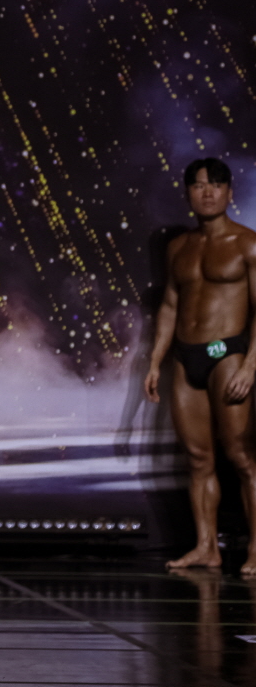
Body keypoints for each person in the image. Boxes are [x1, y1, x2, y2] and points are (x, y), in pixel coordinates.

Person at [145, 157, 256, 577]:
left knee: (241, 456)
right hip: (186, 356)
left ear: (229, 192)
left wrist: (250, 367)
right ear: (188, 193)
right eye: (198, 185)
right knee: (197, 458)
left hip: (227, 353)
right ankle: (207, 547)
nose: (207, 192)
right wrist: (155, 360)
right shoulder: (179, 247)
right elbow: (170, 306)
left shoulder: (248, 244)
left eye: (215, 185)